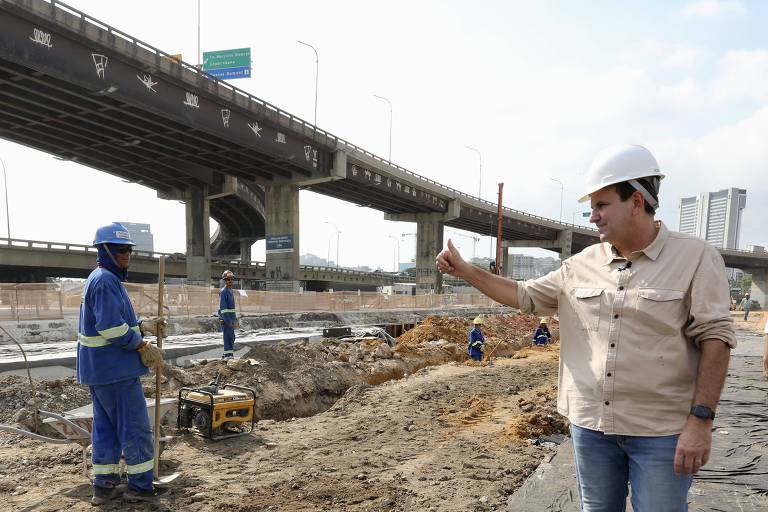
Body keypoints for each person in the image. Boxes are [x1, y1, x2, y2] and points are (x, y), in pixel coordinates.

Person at [437, 144, 735, 511]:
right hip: (592, 428)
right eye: (591, 207)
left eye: (601, 205)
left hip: (662, 431)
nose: (592, 217)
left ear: (637, 201)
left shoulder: (696, 258)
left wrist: (701, 420)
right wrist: (466, 271)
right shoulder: (581, 264)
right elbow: (524, 295)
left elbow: (716, 339)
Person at [77, 222, 167, 505]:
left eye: (128, 250)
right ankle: (140, 486)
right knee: (135, 427)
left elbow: (116, 322)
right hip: (115, 369)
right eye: (120, 250)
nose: (126, 254)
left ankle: (103, 486)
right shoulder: (105, 281)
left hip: (101, 370)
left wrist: (142, 326)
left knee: (106, 429)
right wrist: (140, 344)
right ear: (105, 251)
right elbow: (111, 328)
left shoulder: (103, 278)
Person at [218, 270, 238, 359]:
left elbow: (232, 309)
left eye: (231, 279)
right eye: (228, 279)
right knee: (227, 336)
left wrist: (235, 319)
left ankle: (228, 354)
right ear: (225, 281)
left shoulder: (230, 291)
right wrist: (229, 321)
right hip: (225, 320)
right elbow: (224, 309)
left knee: (232, 337)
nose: (230, 281)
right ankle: (228, 356)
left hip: (230, 319)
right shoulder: (224, 292)